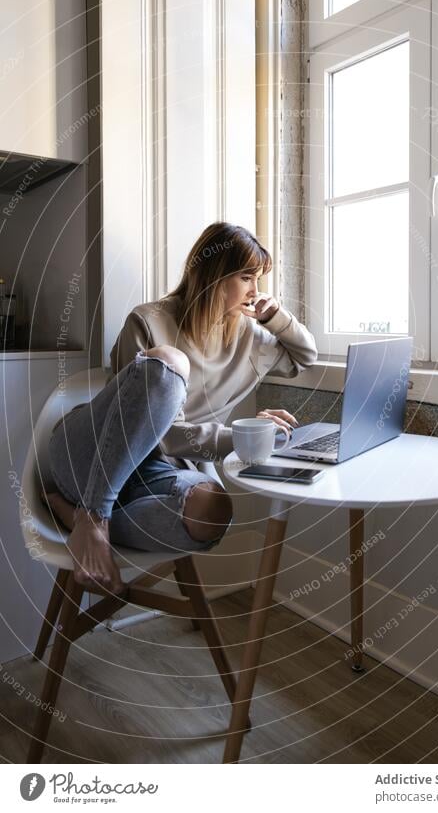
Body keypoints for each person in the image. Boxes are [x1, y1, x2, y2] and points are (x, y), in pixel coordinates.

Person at [44, 222, 318, 594]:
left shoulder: (252, 338)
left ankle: (77, 515)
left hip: (154, 474)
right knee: (170, 361)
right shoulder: (148, 321)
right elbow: (163, 435)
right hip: (91, 455)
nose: (256, 291)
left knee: (215, 511)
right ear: (214, 274)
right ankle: (93, 516)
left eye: (258, 279)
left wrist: (276, 317)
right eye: (247, 277)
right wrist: (245, 435)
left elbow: (305, 355)